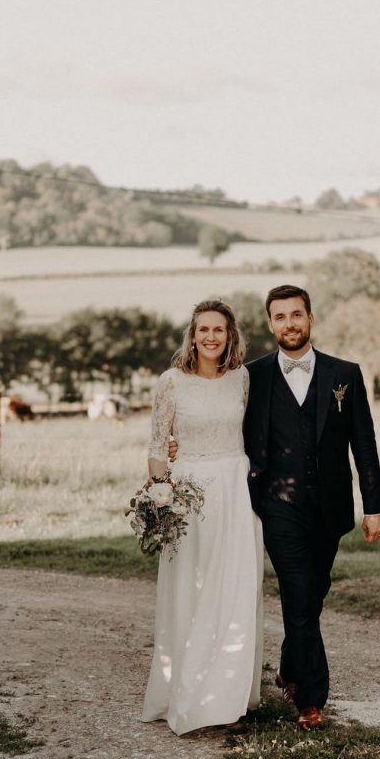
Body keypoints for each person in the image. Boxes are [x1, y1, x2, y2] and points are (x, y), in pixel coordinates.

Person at [243, 284, 380, 730]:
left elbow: (364, 444)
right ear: (270, 324)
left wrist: (373, 505)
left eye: (296, 315)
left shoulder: (346, 374)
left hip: (331, 509)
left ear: (311, 318)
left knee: (312, 595)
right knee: (299, 594)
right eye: (280, 317)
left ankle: (288, 665)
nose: (289, 323)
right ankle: (310, 698)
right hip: (277, 506)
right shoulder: (254, 376)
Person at [141, 299, 263, 736]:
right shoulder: (171, 382)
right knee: (191, 589)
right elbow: (158, 446)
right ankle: (189, 692)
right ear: (192, 336)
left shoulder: (242, 379)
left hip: (234, 489)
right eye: (203, 330)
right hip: (190, 495)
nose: (211, 337)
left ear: (231, 336)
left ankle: (228, 693)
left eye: (219, 330)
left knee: (233, 588)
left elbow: (247, 432)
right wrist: (160, 496)